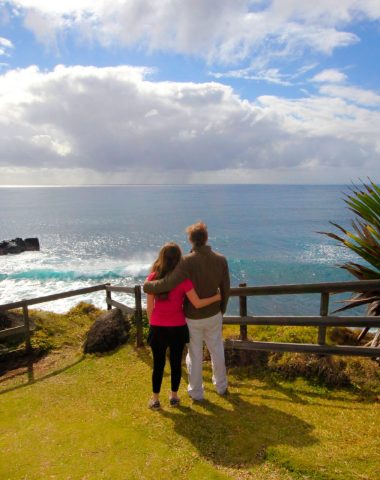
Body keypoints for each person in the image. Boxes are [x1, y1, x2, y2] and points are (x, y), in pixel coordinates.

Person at [144, 222, 230, 401]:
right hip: (213, 314)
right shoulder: (221, 259)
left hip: (192, 317)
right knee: (217, 350)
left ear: (191, 240)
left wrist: (148, 286)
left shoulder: (186, 261)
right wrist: (221, 309)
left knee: (195, 354)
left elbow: (167, 283)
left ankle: (196, 392)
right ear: (206, 238)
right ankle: (221, 386)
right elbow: (226, 288)